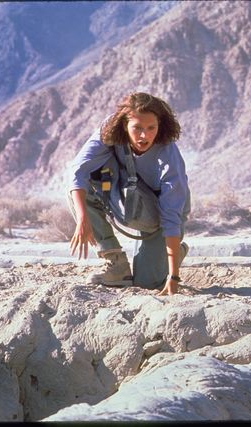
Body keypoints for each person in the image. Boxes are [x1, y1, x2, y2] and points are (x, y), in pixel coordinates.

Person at [67, 92, 191, 296]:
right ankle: (116, 263)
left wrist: (174, 276)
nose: (144, 136)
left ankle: (174, 254)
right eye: (137, 128)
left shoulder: (168, 155)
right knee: (77, 187)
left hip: (159, 215)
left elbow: (171, 217)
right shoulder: (109, 131)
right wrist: (82, 219)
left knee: (148, 283)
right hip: (126, 195)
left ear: (160, 125)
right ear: (125, 125)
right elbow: (77, 172)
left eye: (151, 128)